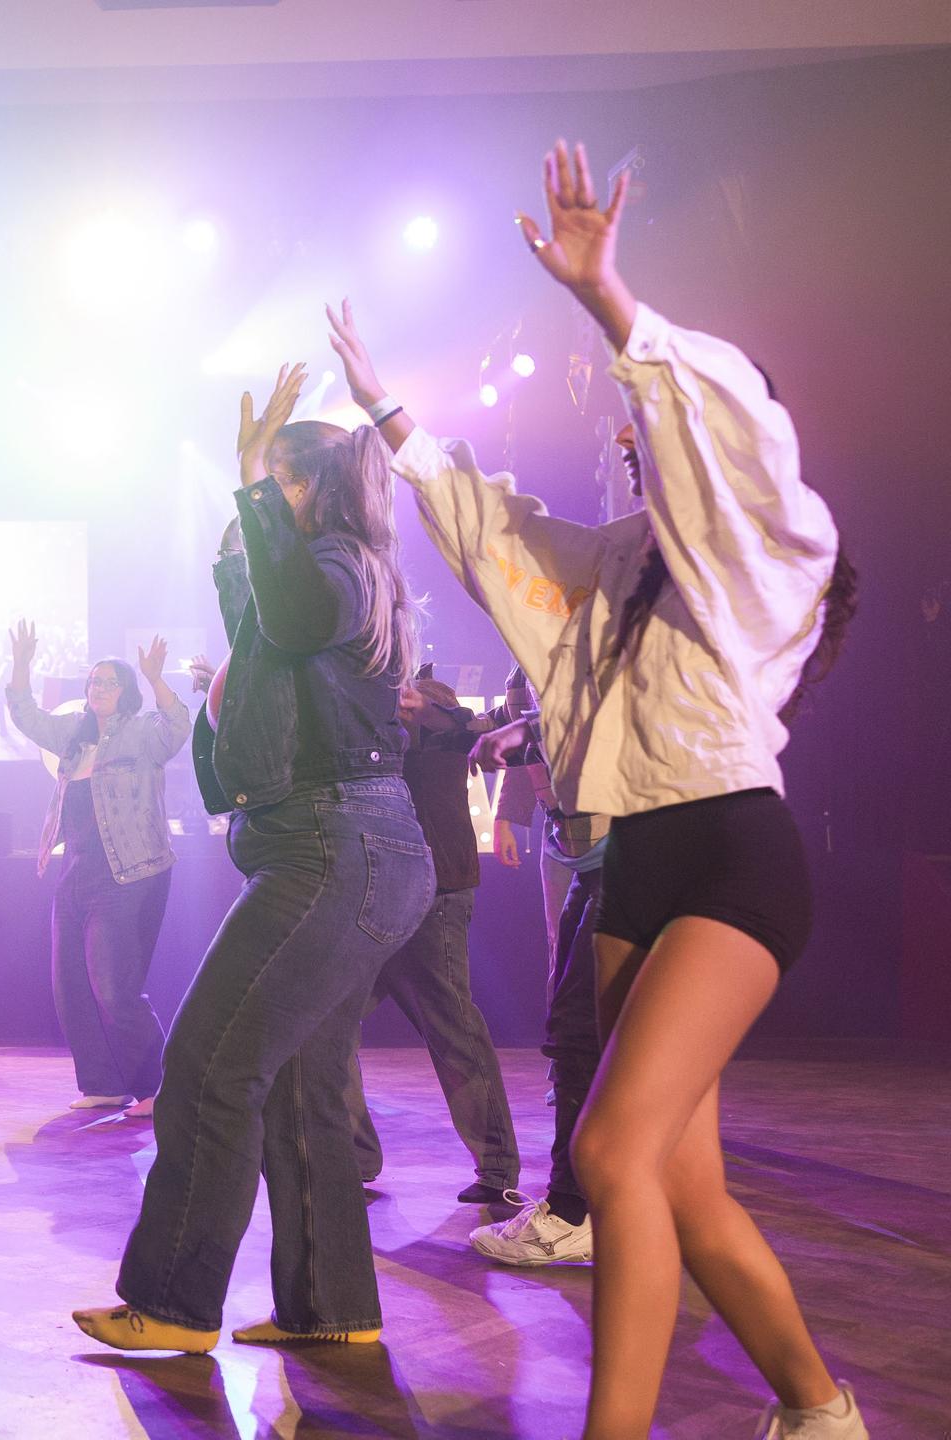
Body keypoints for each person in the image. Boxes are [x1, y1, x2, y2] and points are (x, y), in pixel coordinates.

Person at [328, 140, 862, 1436]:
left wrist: (610, 302)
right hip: (632, 860)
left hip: (734, 856)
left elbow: (721, 441)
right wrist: (389, 413)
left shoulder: (777, 559)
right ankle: (818, 1410)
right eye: (638, 432)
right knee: (679, 1183)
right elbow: (495, 532)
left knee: (611, 1152)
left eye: (666, 426)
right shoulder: (616, 564)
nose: (644, 439)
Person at [73, 361, 432, 1354]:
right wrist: (251, 492)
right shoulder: (321, 574)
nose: (266, 498)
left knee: (209, 1065)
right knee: (302, 1082)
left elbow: (294, 610)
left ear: (315, 487)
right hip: (344, 846)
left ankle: (174, 1304)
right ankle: (331, 1307)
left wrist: (252, 493)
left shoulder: (341, 568)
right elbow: (261, 608)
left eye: (282, 480)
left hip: (331, 848)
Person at [342, 673, 521, 1204]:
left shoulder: (437, 721)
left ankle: (497, 1166)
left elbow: (463, 728)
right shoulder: (366, 721)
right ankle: (353, 1158)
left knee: (452, 1030)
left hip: (436, 896)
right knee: (328, 1024)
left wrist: (424, 709)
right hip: (374, 896)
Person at [6, 627, 190, 1115]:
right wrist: (21, 665)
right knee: (71, 987)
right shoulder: (75, 735)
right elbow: (26, 716)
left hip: (127, 872)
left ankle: (161, 1087)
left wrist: (156, 679)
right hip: (76, 871)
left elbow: (177, 725)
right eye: (94, 681)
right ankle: (104, 1083)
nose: (100, 688)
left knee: (113, 988)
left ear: (126, 691)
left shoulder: (141, 731)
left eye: (110, 682)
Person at [464, 691, 604, 1268]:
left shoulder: (603, 649)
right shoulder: (541, 665)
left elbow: (601, 704)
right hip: (590, 857)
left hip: (636, 849)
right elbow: (510, 716)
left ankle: (574, 1212)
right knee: (577, 1030)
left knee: (583, 1031)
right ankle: (585, 1206)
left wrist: (523, 728)